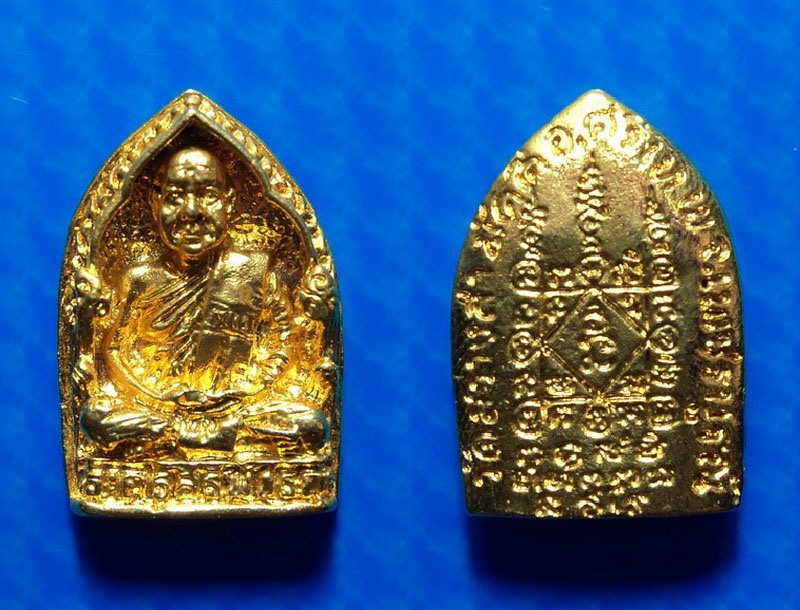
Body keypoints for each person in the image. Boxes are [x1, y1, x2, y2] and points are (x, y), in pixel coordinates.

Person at [79, 147, 329, 459]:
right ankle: (205, 439)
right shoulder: (139, 279)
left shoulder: (257, 272)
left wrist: (239, 395)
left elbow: (284, 344)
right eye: (174, 197)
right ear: (155, 203)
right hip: (159, 410)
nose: (191, 212)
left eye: (208, 196)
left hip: (239, 409)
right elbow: (117, 350)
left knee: (311, 423)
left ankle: (182, 440)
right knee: (95, 418)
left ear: (230, 202)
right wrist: (164, 399)